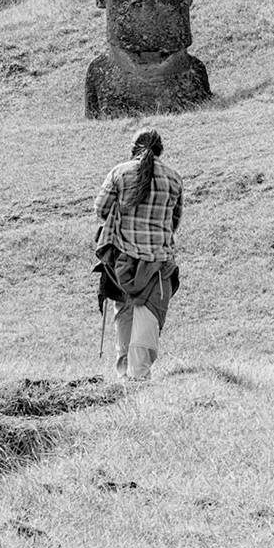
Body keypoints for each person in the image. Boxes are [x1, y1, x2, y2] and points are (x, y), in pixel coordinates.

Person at [93, 127, 182, 381]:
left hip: (122, 261)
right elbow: (174, 221)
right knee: (148, 316)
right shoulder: (174, 178)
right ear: (160, 150)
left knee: (124, 313)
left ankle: (123, 377)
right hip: (157, 263)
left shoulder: (119, 173)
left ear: (134, 148)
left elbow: (100, 210)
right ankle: (140, 377)